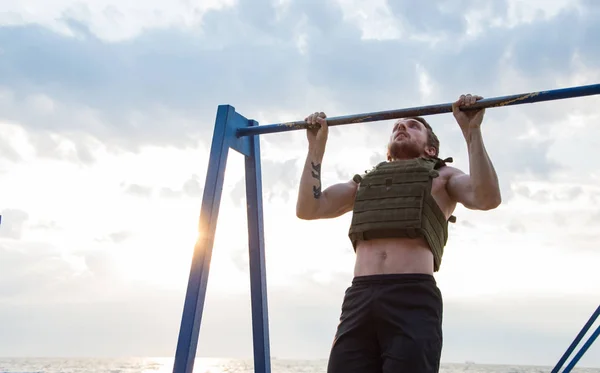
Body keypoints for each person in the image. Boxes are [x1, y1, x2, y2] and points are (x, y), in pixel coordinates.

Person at [295, 93, 502, 373]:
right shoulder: (364, 181)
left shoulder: (444, 176)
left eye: (413, 126)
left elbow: (487, 198)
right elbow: (309, 208)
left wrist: (472, 132)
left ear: (431, 150)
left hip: (411, 297)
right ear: (388, 151)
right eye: (397, 126)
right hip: (360, 298)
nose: (402, 127)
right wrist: (315, 148)